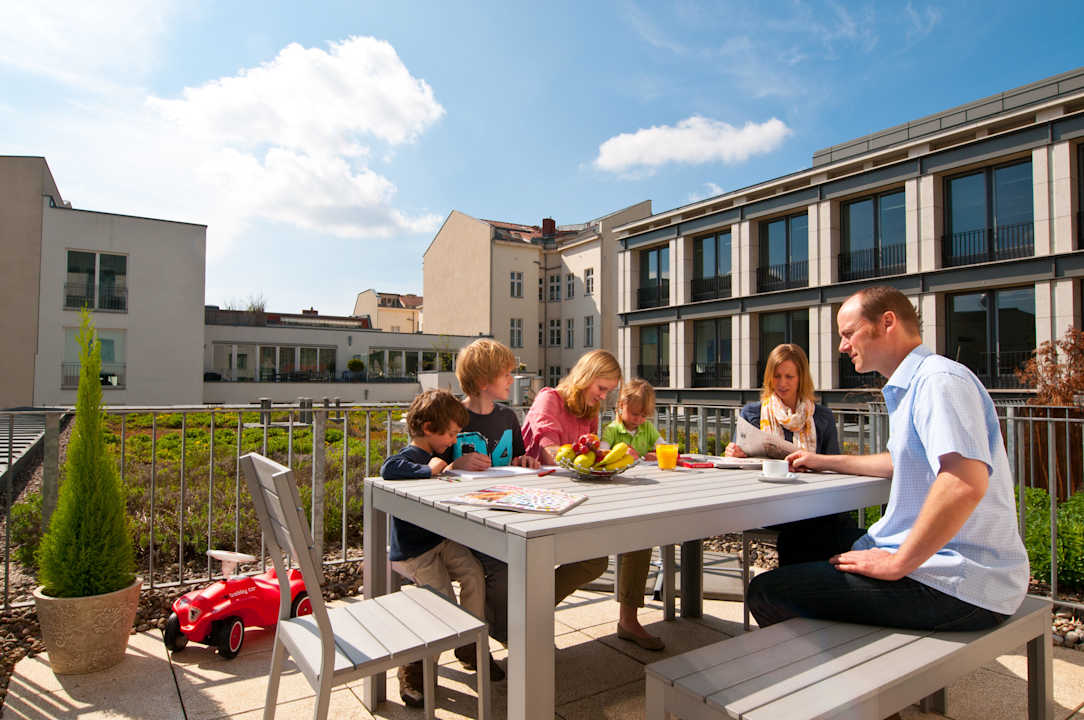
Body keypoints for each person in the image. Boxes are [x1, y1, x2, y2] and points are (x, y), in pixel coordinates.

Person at [747, 286, 1029, 634]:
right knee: (801, 539)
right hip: (936, 561)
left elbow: (963, 482)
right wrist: (822, 460)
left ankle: (838, 662)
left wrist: (897, 562)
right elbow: (897, 462)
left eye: (848, 333)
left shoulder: (938, 381)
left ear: (887, 323)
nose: (842, 346)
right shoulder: (915, 384)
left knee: (766, 591)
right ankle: (829, 645)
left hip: (962, 582)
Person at [522, 350, 665, 650]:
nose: (603, 397)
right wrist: (596, 458)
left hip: (579, 495)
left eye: (608, 392)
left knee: (639, 528)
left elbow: (588, 453)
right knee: (594, 561)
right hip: (540, 501)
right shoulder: (549, 399)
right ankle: (526, 615)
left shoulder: (590, 409)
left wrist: (610, 458)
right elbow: (552, 453)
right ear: (585, 377)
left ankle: (629, 621)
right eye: (601, 389)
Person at [380, 389, 504, 708]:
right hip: (415, 550)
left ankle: (470, 645)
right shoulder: (411, 456)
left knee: (473, 574)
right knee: (442, 601)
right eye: (449, 434)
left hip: (440, 540)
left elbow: (445, 473)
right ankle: (415, 666)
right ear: (427, 429)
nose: (452, 440)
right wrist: (432, 469)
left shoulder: (441, 456)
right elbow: (388, 469)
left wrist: (450, 467)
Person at [439, 338, 540, 645]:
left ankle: (502, 631)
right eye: (506, 374)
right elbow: (432, 469)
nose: (512, 379)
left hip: (504, 514)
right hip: (462, 521)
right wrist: (455, 463)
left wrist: (524, 461)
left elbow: (517, 458)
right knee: (505, 568)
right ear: (484, 381)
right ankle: (504, 636)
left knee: (526, 562)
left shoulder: (508, 417)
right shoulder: (451, 416)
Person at [724, 343, 854, 565]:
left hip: (809, 498)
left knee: (832, 521)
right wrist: (734, 454)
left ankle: (810, 578)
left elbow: (834, 467)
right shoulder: (752, 413)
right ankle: (803, 579)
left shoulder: (821, 417)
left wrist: (813, 465)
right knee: (815, 524)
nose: (782, 383)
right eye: (776, 376)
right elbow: (737, 464)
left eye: (789, 377)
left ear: (801, 378)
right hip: (766, 500)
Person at [599, 378, 668, 650]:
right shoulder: (612, 430)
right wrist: (619, 454)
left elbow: (663, 448)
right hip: (617, 499)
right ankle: (628, 619)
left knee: (644, 537)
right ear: (620, 406)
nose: (638, 420)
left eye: (643, 415)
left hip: (643, 496)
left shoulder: (647, 429)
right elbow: (602, 454)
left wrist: (654, 454)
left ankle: (629, 618)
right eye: (635, 413)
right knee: (637, 540)